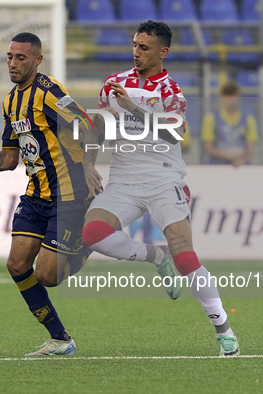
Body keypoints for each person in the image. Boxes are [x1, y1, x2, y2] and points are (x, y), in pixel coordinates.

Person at [81, 20, 240, 356]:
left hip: (163, 177)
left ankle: (222, 327)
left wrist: (134, 109)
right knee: (93, 234)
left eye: (144, 48)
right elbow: (97, 127)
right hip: (123, 177)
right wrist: (88, 164)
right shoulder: (114, 84)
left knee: (186, 259)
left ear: (163, 52)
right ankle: (156, 255)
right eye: (135, 45)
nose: (136, 53)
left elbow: (174, 133)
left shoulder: (170, 91)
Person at [0, 32, 93, 357]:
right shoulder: (10, 102)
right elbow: (9, 159)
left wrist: (89, 167)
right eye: (10, 56)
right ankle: (60, 339)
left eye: (21, 57)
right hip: (36, 195)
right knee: (17, 264)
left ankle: (91, 239)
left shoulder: (49, 93)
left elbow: (87, 125)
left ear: (37, 60)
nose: (13, 63)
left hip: (68, 195)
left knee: (47, 276)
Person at [202, 81, 258, 167]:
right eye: (227, 96)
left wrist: (242, 159)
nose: (230, 100)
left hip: (240, 166)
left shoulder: (248, 120)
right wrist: (229, 157)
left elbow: (251, 148)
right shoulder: (211, 119)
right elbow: (208, 147)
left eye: (233, 96)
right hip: (217, 167)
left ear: (239, 97)